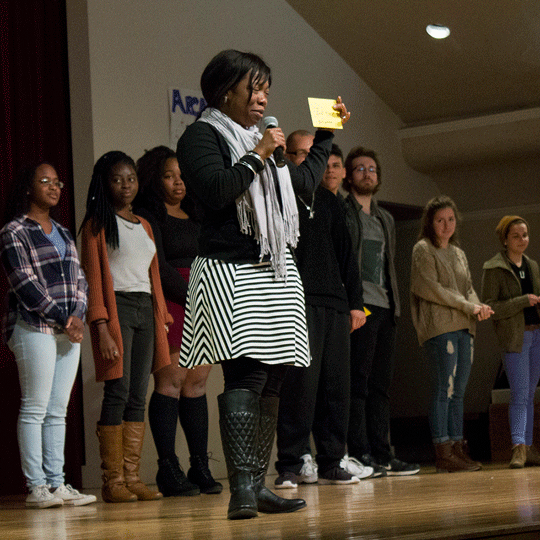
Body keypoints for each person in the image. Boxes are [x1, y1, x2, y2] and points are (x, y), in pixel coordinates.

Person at [176, 49, 349, 520]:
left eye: (265, 87)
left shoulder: (262, 142)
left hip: (273, 267)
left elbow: (305, 183)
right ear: (224, 90)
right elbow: (215, 190)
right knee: (246, 373)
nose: (262, 95)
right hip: (228, 268)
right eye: (253, 86)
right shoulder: (201, 136)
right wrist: (258, 153)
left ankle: (258, 483)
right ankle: (241, 492)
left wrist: (327, 134)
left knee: (274, 376)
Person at [275, 138, 370, 489]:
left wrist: (356, 304)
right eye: (302, 154)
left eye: (316, 155)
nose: (311, 161)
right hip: (298, 301)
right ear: (289, 158)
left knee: (336, 385)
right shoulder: (281, 197)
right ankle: (291, 462)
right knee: (301, 384)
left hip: (334, 303)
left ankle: (332, 459)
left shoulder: (331, 202)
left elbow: (348, 257)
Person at [0, 162, 95, 508]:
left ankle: (57, 484)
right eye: (46, 181)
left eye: (58, 182)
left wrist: (78, 316)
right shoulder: (14, 231)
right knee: (35, 407)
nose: (55, 187)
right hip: (33, 327)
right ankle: (36, 486)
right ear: (28, 188)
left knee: (58, 409)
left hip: (68, 330)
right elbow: (24, 284)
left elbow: (80, 280)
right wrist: (63, 317)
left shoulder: (65, 232)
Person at [80, 151, 172, 503]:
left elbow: (153, 278)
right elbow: (93, 280)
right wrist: (101, 325)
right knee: (117, 392)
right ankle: (112, 481)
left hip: (144, 310)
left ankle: (132, 477)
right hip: (116, 308)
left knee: (138, 393)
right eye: (117, 179)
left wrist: (161, 317)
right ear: (105, 182)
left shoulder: (144, 224)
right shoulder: (97, 224)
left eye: (130, 178)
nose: (125, 185)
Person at [135, 146, 221, 495]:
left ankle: (199, 464)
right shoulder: (147, 216)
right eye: (169, 176)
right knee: (170, 383)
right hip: (173, 301)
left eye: (182, 176)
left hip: (207, 300)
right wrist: (191, 294)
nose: (178, 183)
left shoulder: (198, 213)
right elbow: (159, 264)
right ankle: (167, 467)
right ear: (155, 179)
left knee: (196, 385)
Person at [343, 146, 420, 477]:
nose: (367, 173)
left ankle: (383, 454)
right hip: (361, 306)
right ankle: (360, 453)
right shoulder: (344, 212)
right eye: (360, 168)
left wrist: (396, 306)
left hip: (387, 307)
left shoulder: (385, 217)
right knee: (357, 383)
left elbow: (388, 266)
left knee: (381, 386)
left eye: (372, 169)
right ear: (349, 176)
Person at [410, 195, 493, 472]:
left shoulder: (458, 252)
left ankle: (458, 448)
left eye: (451, 219)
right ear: (430, 223)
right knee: (442, 390)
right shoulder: (423, 249)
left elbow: (467, 287)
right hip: (440, 328)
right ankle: (443, 451)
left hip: (464, 328)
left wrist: (478, 306)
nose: (446, 225)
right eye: (440, 220)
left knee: (459, 392)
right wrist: (468, 305)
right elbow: (432, 289)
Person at [482, 216, 540, 468]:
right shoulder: (494, 268)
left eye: (525, 235)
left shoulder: (532, 265)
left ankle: (528, 447)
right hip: (516, 338)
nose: (522, 240)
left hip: (536, 333)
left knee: (530, 394)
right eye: (516, 236)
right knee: (518, 393)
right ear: (505, 239)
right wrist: (522, 301)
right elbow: (490, 306)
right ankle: (517, 446)